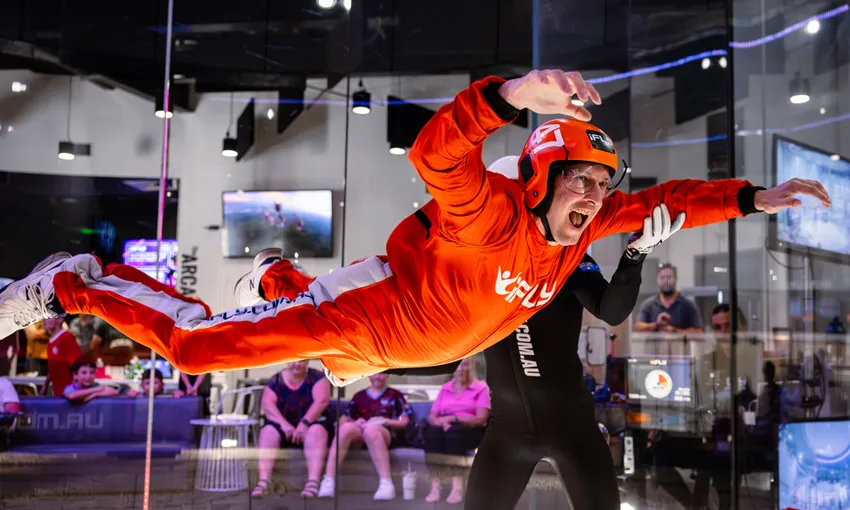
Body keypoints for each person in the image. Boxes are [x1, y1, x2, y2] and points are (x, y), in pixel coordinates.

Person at [0, 69, 831, 386]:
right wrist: (509, 98)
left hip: (398, 356)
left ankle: (274, 276)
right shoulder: (488, 213)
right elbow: (438, 154)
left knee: (326, 353)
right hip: (365, 318)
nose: (594, 193)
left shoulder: (584, 228)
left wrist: (752, 197)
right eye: (579, 176)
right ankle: (73, 281)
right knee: (193, 350)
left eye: (601, 182)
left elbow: (670, 200)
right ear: (541, 176)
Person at [317, 373, 410, 500]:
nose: (378, 377)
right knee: (345, 429)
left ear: (388, 375)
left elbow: (404, 422)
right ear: (368, 375)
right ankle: (328, 480)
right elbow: (342, 421)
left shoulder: (395, 395)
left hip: (384, 433)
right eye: (374, 374)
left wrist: (384, 421)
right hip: (360, 433)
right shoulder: (359, 396)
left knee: (371, 430)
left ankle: (386, 483)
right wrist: (355, 422)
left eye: (382, 374)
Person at [253, 360, 331, 499]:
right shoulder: (276, 380)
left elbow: (322, 401)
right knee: (268, 432)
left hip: (311, 424)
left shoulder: (317, 377)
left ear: (307, 361)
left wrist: (304, 423)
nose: (297, 364)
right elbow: (267, 405)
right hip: (284, 427)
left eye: (301, 360)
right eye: (293, 360)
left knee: (316, 431)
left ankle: (313, 481)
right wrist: (284, 424)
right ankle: (264, 481)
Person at [423, 357, 490, 505]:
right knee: (432, 434)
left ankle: (457, 486)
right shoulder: (445, 388)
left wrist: (454, 419)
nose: (460, 369)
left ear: (472, 367)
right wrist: (441, 422)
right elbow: (432, 416)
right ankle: (435, 485)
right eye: (457, 365)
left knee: (454, 434)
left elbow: (481, 418)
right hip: (446, 427)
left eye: (465, 365)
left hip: (472, 429)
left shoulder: (481, 388)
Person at [634, 263, 703, 333]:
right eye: (662, 277)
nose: (666, 281)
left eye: (669, 277)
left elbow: (699, 331)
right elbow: (638, 328)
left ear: (676, 279)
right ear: (657, 279)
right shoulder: (648, 305)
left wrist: (674, 331)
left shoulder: (688, 305)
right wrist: (656, 325)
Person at [40, 316, 82, 396]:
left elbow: (77, 366)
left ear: (60, 319)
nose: (44, 320)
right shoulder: (51, 340)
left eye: (48, 317)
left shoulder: (67, 338)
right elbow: (53, 367)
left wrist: (73, 391)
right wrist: (45, 385)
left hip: (68, 393)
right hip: (56, 391)